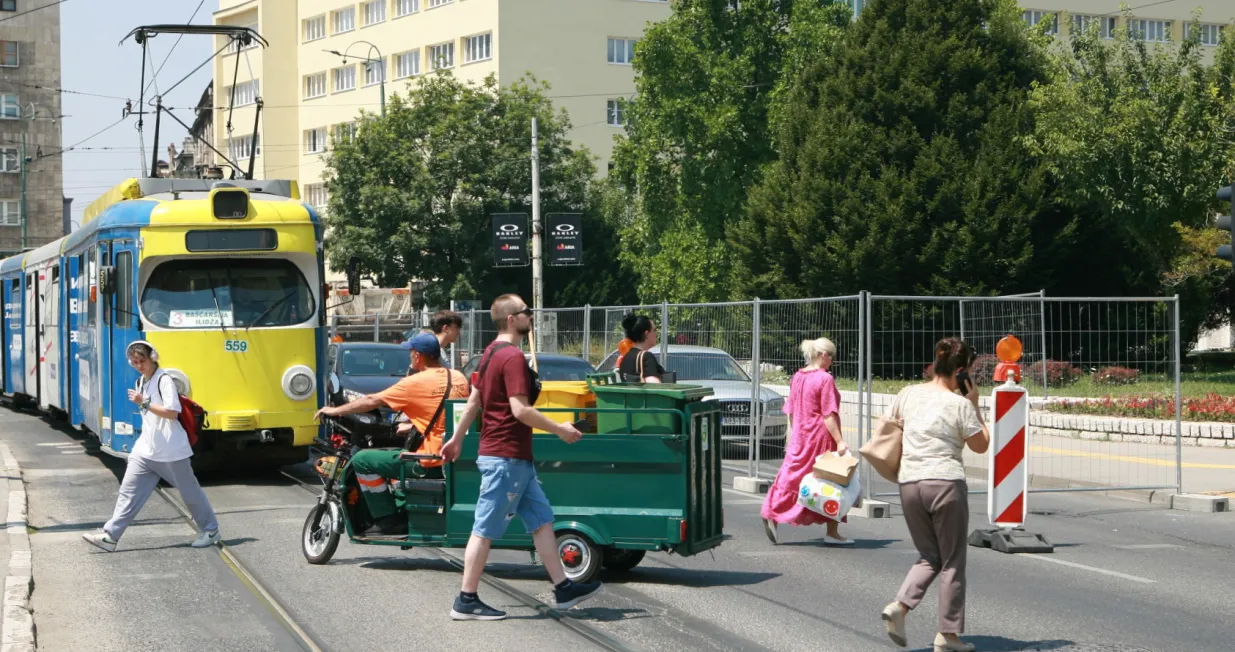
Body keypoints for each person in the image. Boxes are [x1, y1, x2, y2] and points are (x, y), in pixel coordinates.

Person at [440, 294, 602, 621]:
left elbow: (474, 401)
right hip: (505, 459)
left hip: (515, 460)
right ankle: (466, 600)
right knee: (484, 529)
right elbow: (521, 410)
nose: (531, 316)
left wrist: (457, 439)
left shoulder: (489, 354)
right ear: (512, 319)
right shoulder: (512, 357)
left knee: (542, 521)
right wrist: (560, 429)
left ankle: (563, 588)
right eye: (526, 312)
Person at [881, 337, 991, 652]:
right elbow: (981, 445)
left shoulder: (907, 394)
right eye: (969, 370)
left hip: (909, 483)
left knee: (930, 555)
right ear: (960, 371)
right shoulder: (959, 404)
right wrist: (975, 404)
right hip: (945, 484)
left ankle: (899, 608)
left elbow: (891, 425)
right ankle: (948, 635)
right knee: (952, 560)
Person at [315, 333, 469, 534]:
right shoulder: (456, 376)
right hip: (454, 457)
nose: (409, 356)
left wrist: (334, 410)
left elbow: (372, 401)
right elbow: (443, 414)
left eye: (410, 352)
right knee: (395, 453)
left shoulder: (415, 382)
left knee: (363, 460)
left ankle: (387, 518)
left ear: (417, 356)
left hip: (430, 462)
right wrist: (415, 425)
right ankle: (401, 503)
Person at [82, 341, 220, 552]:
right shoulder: (141, 382)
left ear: (152, 357)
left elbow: (172, 412)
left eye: (143, 361)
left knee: (189, 491)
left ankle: (210, 530)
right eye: (135, 362)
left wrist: (143, 402)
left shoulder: (164, 380)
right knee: (128, 492)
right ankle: (110, 536)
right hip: (146, 449)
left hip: (171, 450)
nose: (139, 365)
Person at [759, 337, 852, 546]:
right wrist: (840, 441)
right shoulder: (824, 379)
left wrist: (796, 434)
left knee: (791, 477)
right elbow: (828, 415)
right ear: (824, 355)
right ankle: (832, 532)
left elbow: (791, 411)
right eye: (831, 356)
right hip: (820, 438)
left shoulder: (797, 377)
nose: (832, 361)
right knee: (832, 482)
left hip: (800, 436)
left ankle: (772, 511)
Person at [616, 313, 664, 383]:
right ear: (646, 334)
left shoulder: (626, 357)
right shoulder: (646, 357)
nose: (656, 334)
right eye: (654, 330)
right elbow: (654, 384)